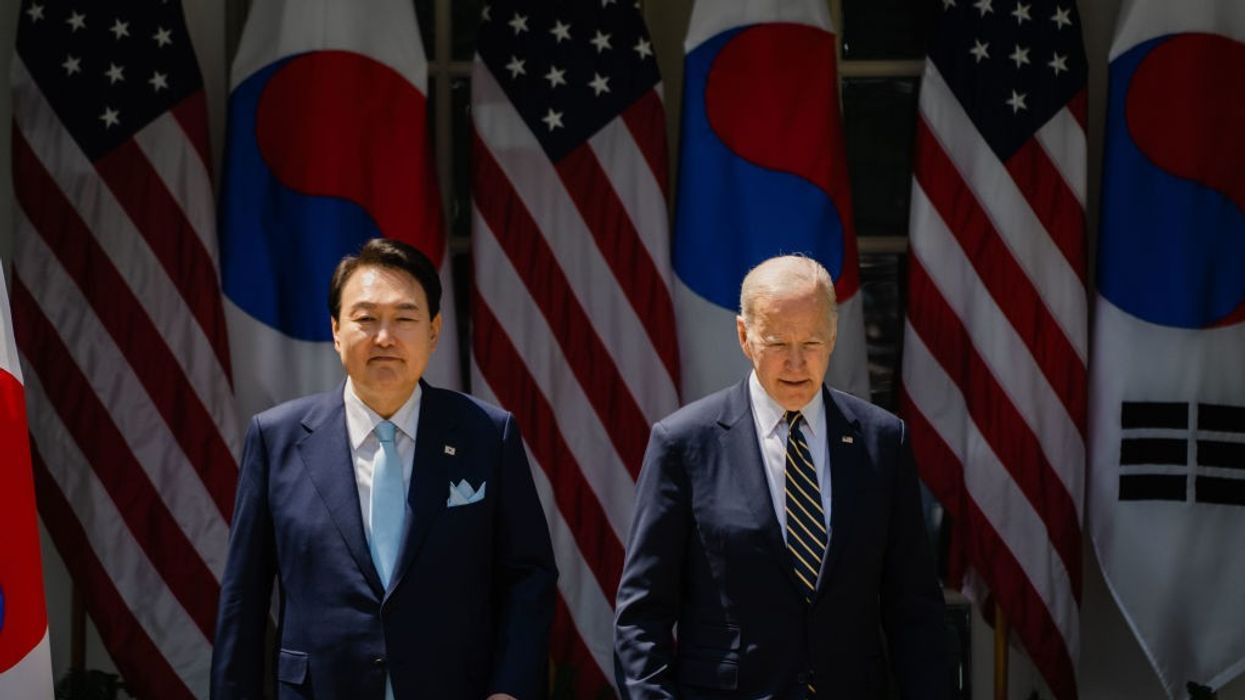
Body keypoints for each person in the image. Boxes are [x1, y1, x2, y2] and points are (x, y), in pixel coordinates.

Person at [212, 238, 557, 700]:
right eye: (366, 318)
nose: (384, 338)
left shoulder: (488, 436)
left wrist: (509, 691)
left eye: (404, 318)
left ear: (433, 331)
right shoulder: (276, 439)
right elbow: (244, 595)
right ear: (336, 330)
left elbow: (528, 576)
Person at [614, 255, 948, 699]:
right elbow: (642, 615)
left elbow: (915, 608)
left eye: (811, 342)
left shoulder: (882, 442)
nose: (795, 363)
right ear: (744, 336)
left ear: (833, 336)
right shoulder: (683, 444)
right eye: (777, 344)